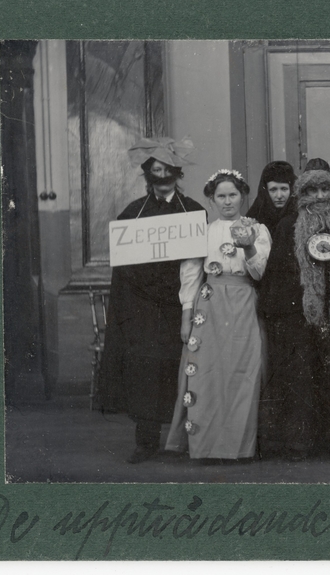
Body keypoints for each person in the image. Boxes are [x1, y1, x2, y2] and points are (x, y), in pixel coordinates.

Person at [98, 137, 205, 464]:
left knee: (181, 368)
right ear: (148, 176)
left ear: (177, 173)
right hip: (143, 309)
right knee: (144, 371)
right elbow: (124, 270)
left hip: (178, 306)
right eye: (155, 171)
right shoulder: (132, 214)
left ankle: (183, 440)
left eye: (167, 170)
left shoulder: (193, 212)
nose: (162, 177)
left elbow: (195, 267)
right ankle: (146, 442)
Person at [166, 170, 272, 461]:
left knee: (243, 372)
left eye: (233, 195)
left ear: (242, 196)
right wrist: (187, 316)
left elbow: (259, 272)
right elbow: (190, 274)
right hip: (210, 305)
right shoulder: (202, 231)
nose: (227, 202)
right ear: (211, 200)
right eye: (221, 196)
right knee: (208, 373)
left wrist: (249, 245)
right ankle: (206, 446)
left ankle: (238, 447)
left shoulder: (258, 229)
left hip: (244, 302)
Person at [258, 168, 330, 460]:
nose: (319, 196)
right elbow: (276, 273)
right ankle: (299, 443)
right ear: (301, 195)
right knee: (299, 378)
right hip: (298, 316)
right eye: (312, 191)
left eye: (326, 190)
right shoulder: (288, 225)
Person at [245, 161, 297, 230]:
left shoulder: (299, 217)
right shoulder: (255, 215)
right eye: (273, 190)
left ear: (291, 190)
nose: (279, 196)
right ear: (266, 191)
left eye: (284, 189)